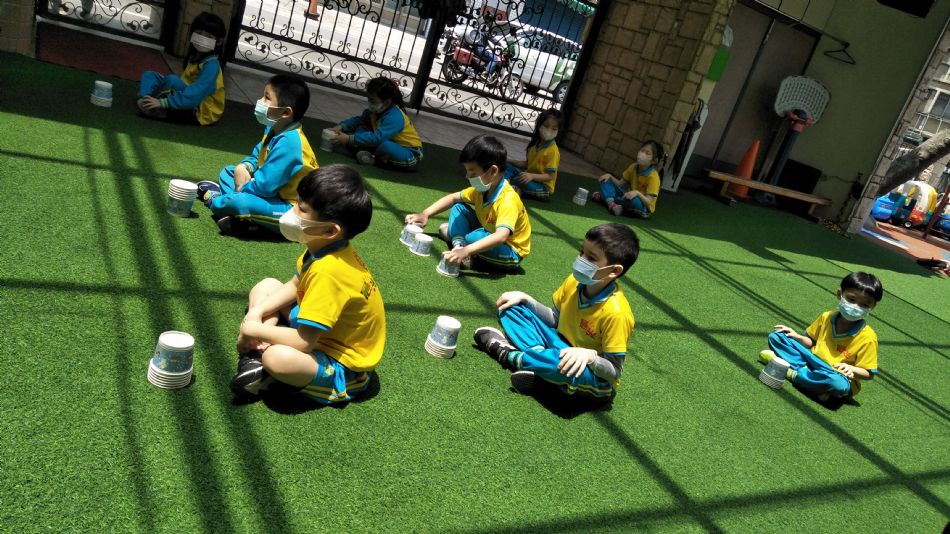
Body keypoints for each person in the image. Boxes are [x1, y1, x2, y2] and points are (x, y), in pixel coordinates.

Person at [229, 165, 385, 405]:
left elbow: (304, 342)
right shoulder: (323, 248)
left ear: (330, 230)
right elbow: (295, 285)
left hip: (342, 363)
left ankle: (264, 359)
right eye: (297, 202)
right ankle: (259, 352)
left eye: (301, 209)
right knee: (267, 286)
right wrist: (256, 314)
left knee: (277, 358)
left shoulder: (329, 272)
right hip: (321, 329)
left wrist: (253, 329)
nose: (291, 211)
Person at [473, 223, 639, 401]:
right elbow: (554, 319)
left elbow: (614, 372)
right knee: (511, 307)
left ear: (614, 271)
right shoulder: (574, 281)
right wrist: (527, 300)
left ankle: (509, 355)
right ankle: (541, 368)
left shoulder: (617, 313)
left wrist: (590, 356)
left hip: (586, 370)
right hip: (557, 345)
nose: (581, 260)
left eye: (591, 258)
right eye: (581, 252)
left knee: (559, 364)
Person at [197, 74, 318, 236]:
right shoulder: (274, 128)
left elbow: (265, 187)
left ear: (285, 112)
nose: (260, 101)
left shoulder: (290, 143)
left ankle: (215, 200)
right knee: (229, 172)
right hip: (273, 193)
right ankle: (245, 219)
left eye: (267, 97)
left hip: (295, 209)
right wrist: (244, 167)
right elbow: (256, 157)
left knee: (240, 202)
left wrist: (243, 187)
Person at [404, 134, 531, 273]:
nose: (468, 176)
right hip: (487, 230)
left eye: (473, 172)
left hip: (510, 250)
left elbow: (501, 236)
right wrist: (425, 214)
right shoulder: (481, 190)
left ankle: (463, 244)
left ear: (493, 171)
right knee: (459, 208)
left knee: (472, 237)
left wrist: (467, 250)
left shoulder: (508, 200)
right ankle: (458, 245)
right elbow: (453, 198)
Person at [760, 272, 883, 401]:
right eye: (851, 299)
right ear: (839, 294)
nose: (856, 307)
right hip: (812, 360)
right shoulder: (827, 316)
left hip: (838, 375)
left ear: (873, 306)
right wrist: (797, 336)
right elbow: (810, 342)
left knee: (837, 384)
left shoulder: (868, 337)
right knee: (777, 336)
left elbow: (868, 373)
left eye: (865, 305)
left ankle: (791, 373)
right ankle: (811, 379)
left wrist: (850, 368)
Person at [137, 12, 226, 126]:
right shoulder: (194, 56)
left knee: (172, 80)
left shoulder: (212, 65)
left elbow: (197, 93)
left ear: (219, 41)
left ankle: (158, 108)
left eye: (209, 37)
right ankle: (146, 100)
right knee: (149, 75)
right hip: (187, 95)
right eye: (199, 34)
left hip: (199, 109)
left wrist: (164, 102)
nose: (202, 39)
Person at [332, 77, 423, 171]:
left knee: (385, 146)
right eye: (368, 99)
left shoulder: (395, 117)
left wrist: (349, 139)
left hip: (410, 154)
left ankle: (373, 159)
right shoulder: (376, 110)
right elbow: (359, 120)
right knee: (362, 127)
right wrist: (341, 126)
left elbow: (377, 138)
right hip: (386, 143)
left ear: (386, 102)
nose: (369, 103)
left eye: (372, 100)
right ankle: (365, 152)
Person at [592, 140, 665, 218]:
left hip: (642, 206)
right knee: (605, 180)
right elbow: (620, 184)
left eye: (647, 153)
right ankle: (612, 204)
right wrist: (610, 176)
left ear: (654, 160)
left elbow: (649, 202)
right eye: (642, 150)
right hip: (627, 197)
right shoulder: (633, 167)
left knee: (634, 200)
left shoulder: (654, 177)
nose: (642, 154)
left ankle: (606, 199)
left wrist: (637, 193)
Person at [503, 109, 562, 200]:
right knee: (507, 166)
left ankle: (511, 187)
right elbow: (528, 164)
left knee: (522, 181)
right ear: (539, 125)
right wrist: (509, 161)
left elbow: (550, 176)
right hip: (528, 178)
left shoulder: (553, 151)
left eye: (554, 129)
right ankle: (506, 184)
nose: (549, 131)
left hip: (543, 187)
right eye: (546, 126)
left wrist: (532, 176)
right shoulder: (535, 145)